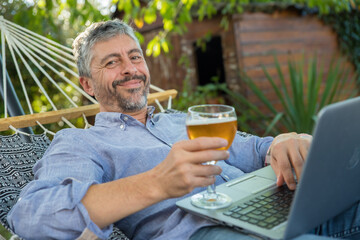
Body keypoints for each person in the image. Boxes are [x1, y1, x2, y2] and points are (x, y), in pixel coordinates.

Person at [7, 19, 360, 240]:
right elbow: (32, 213)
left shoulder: (180, 120)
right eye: (111, 62)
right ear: (87, 84)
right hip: (205, 233)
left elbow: (253, 150)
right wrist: (156, 183)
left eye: (135, 56)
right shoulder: (81, 141)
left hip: (274, 209)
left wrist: (281, 143)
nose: (130, 69)